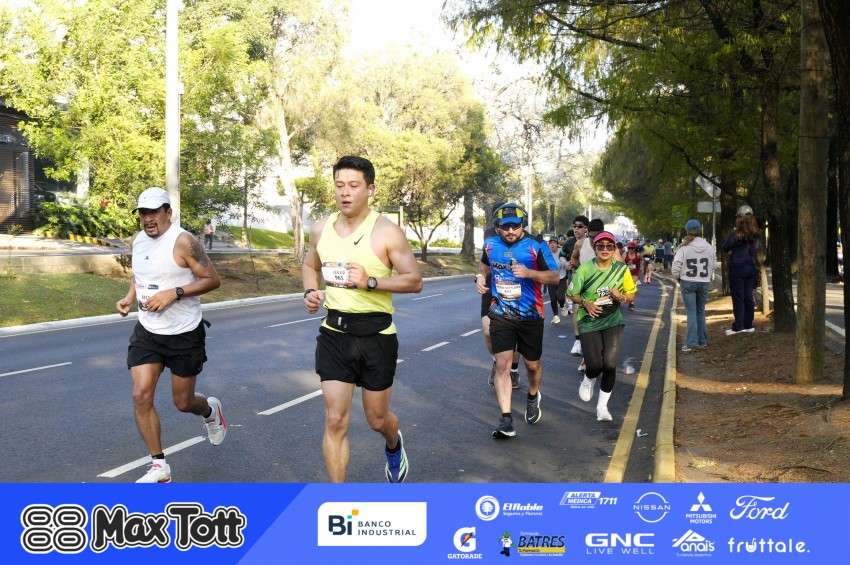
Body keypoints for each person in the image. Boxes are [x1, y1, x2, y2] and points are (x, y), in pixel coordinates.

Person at [302, 155, 422, 483]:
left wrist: (370, 281)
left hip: (376, 336)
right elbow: (310, 265)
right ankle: (338, 500)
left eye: (353, 185)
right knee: (335, 420)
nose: (345, 192)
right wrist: (310, 291)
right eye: (339, 185)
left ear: (370, 189)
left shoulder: (386, 232)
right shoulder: (320, 229)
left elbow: (414, 281)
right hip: (334, 333)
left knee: (377, 419)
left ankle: (393, 443)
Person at [115, 187, 225, 483]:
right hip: (148, 331)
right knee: (140, 396)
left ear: (168, 213)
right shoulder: (137, 240)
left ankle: (210, 411)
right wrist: (129, 297)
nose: (148, 219)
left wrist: (174, 293)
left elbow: (212, 280)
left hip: (183, 334)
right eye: (143, 213)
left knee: (183, 402)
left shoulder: (184, 242)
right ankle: (159, 466)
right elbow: (141, 275)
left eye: (154, 212)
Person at [476, 202, 558, 438]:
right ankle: (506, 419)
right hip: (501, 313)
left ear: (523, 224)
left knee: (532, 365)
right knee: (503, 365)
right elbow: (484, 267)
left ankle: (533, 395)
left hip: (530, 315)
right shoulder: (490, 245)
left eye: (515, 225)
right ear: (498, 226)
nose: (511, 230)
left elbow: (555, 276)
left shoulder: (536, 246)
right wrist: (479, 277)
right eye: (506, 226)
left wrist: (530, 273)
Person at [568, 231, 637, 421]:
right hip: (589, 320)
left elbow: (631, 295)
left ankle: (602, 408)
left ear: (614, 249)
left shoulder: (621, 270)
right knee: (595, 366)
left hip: (612, 320)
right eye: (600, 246)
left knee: (610, 364)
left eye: (609, 246)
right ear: (595, 248)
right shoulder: (585, 269)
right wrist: (586, 303)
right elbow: (571, 293)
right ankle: (589, 378)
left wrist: (621, 297)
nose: (605, 249)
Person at [481, 203, 521, 388]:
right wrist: (479, 276)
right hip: (492, 289)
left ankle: (513, 370)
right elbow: (484, 262)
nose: (508, 228)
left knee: (514, 337)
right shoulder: (489, 235)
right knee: (488, 332)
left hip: (517, 291)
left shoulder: (521, 235)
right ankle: (497, 362)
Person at [671, 220, 716, 352]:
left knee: (691, 312)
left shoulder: (683, 248)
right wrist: (707, 277)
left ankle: (691, 343)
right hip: (703, 281)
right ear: (700, 231)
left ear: (687, 231)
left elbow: (676, 267)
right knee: (701, 311)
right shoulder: (709, 247)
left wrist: (679, 277)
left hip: (688, 281)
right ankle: (702, 341)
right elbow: (713, 265)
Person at [722, 205, 761, 335]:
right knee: (748, 297)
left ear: (740, 218)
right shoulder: (755, 233)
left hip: (737, 268)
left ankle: (738, 325)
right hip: (750, 267)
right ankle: (748, 324)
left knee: (738, 297)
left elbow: (725, 247)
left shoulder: (736, 234)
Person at [567, 216, 590, 356]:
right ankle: (577, 341)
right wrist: (573, 268)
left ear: (587, 228)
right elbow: (573, 259)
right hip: (580, 283)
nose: (576, 229)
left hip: (597, 285)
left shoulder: (597, 243)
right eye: (574, 226)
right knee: (577, 308)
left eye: (580, 226)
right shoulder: (574, 244)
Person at [546, 237, 569, 324]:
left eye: (554, 243)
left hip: (561, 277)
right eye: (550, 243)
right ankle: (556, 316)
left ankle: (562, 306)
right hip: (551, 278)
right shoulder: (547, 253)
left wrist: (565, 264)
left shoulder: (561, 252)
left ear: (557, 244)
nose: (552, 245)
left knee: (560, 297)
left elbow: (565, 261)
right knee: (553, 298)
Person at [623, 241, 642, 310]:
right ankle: (621, 299)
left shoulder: (638, 254)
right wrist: (627, 263)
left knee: (632, 286)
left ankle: (631, 303)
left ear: (634, 248)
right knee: (624, 287)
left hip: (635, 273)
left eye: (632, 248)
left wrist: (641, 267)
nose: (630, 249)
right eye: (629, 248)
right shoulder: (625, 254)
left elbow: (642, 260)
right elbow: (621, 263)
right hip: (626, 273)